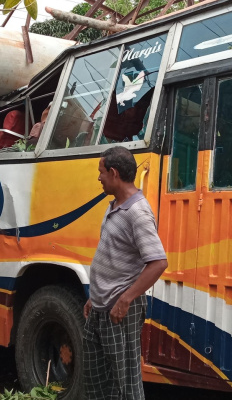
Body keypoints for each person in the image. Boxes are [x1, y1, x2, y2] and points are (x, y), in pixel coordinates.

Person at [83, 146, 168, 400]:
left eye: (101, 172)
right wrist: (93, 297)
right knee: (96, 378)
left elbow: (158, 262)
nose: (99, 178)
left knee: (124, 382)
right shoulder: (116, 205)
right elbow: (110, 255)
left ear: (114, 173)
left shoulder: (138, 213)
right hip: (100, 307)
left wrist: (126, 299)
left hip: (118, 311)